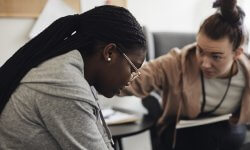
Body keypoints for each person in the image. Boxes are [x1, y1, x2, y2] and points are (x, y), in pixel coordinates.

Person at [0, 5, 146, 150]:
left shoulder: (76, 73)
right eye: (133, 68)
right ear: (109, 52)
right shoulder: (64, 83)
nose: (130, 80)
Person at [121, 0, 250, 150]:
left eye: (216, 56)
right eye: (200, 50)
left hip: (228, 133)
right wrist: (98, 77)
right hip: (183, 134)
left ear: (237, 53)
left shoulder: (246, 74)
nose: (204, 63)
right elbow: (140, 77)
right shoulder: (176, 63)